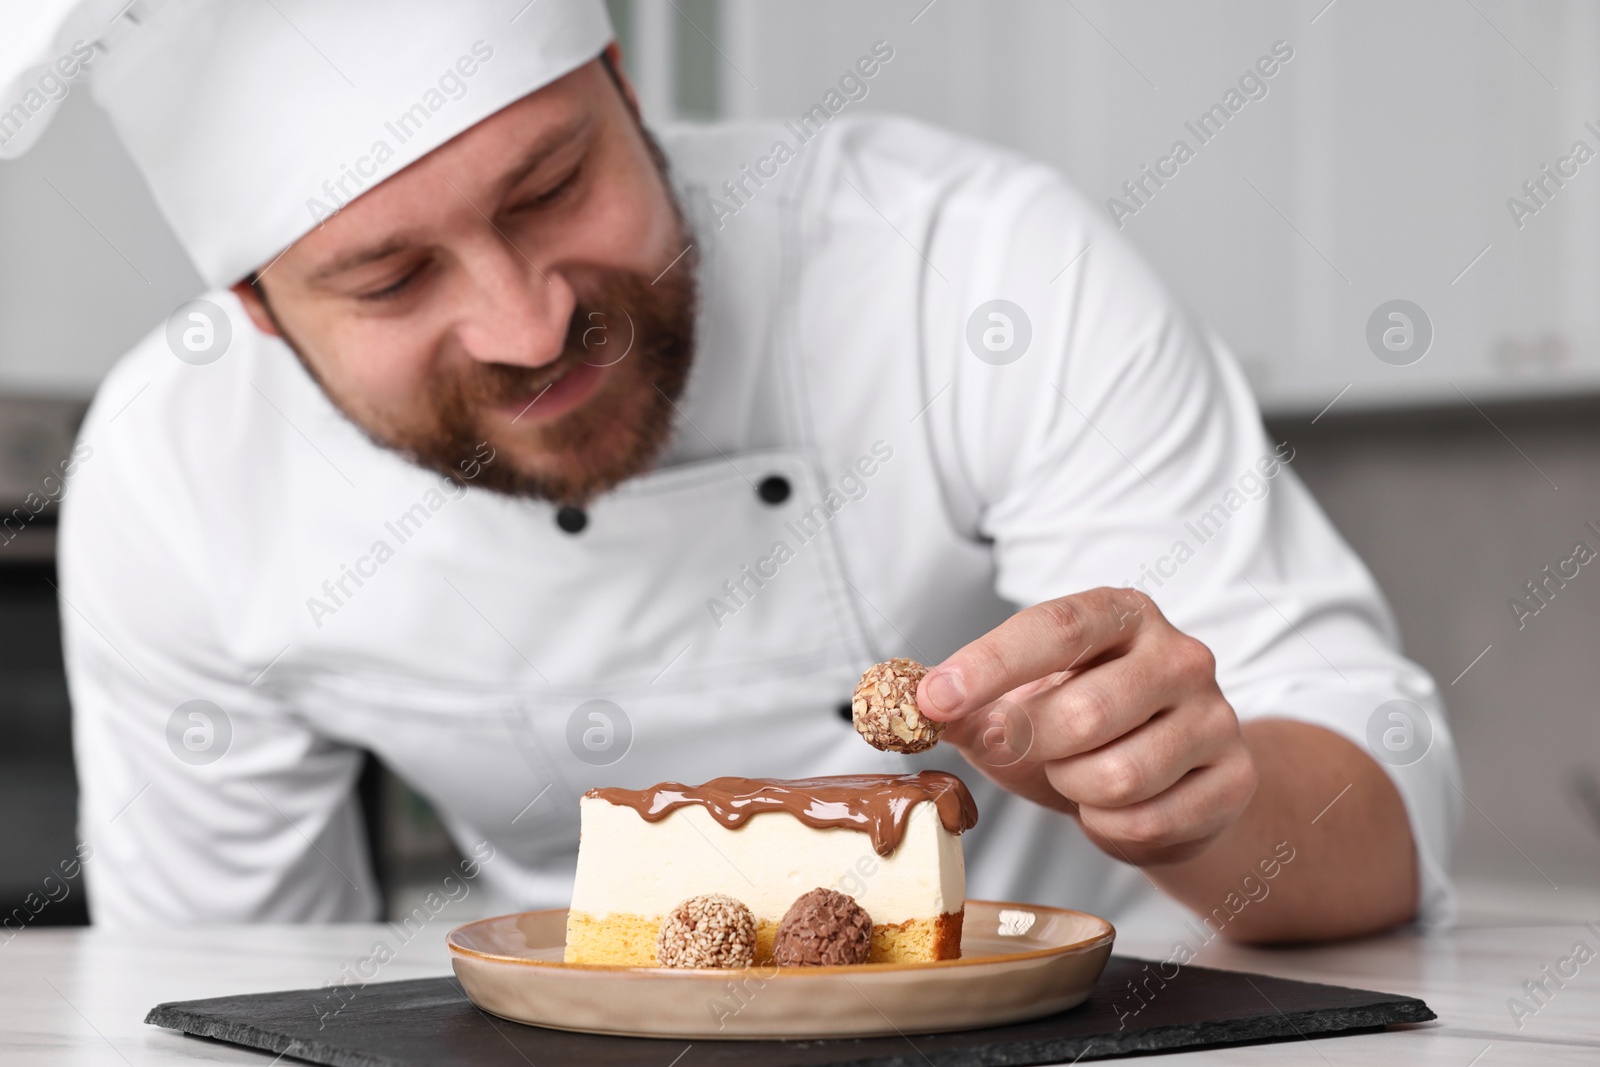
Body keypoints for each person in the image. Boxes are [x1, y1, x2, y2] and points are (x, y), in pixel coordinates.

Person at [8, 0, 1457, 938]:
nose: (528, 323)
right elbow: (228, 1001)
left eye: (553, 185)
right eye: (389, 282)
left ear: (627, 90)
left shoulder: (971, 266)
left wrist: (1203, 806)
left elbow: (1382, 823)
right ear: (257, 313)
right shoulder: (175, 482)